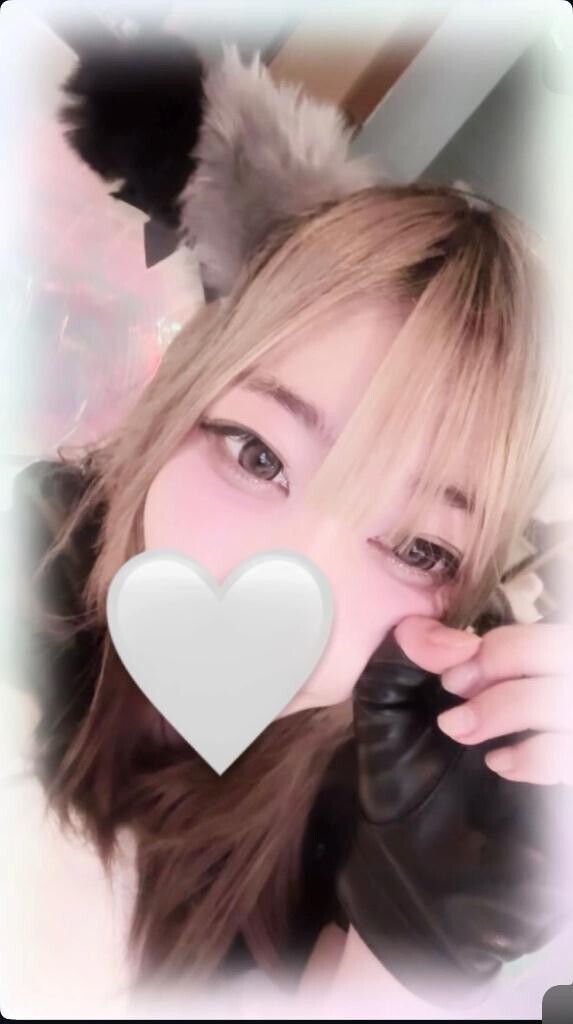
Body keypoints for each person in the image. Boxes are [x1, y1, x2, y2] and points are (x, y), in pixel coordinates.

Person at [1, 183, 572, 1019]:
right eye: (257, 455)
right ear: (181, 403)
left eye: (419, 548)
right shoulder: (30, 560)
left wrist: (411, 948)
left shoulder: (386, 822)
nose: (288, 596)